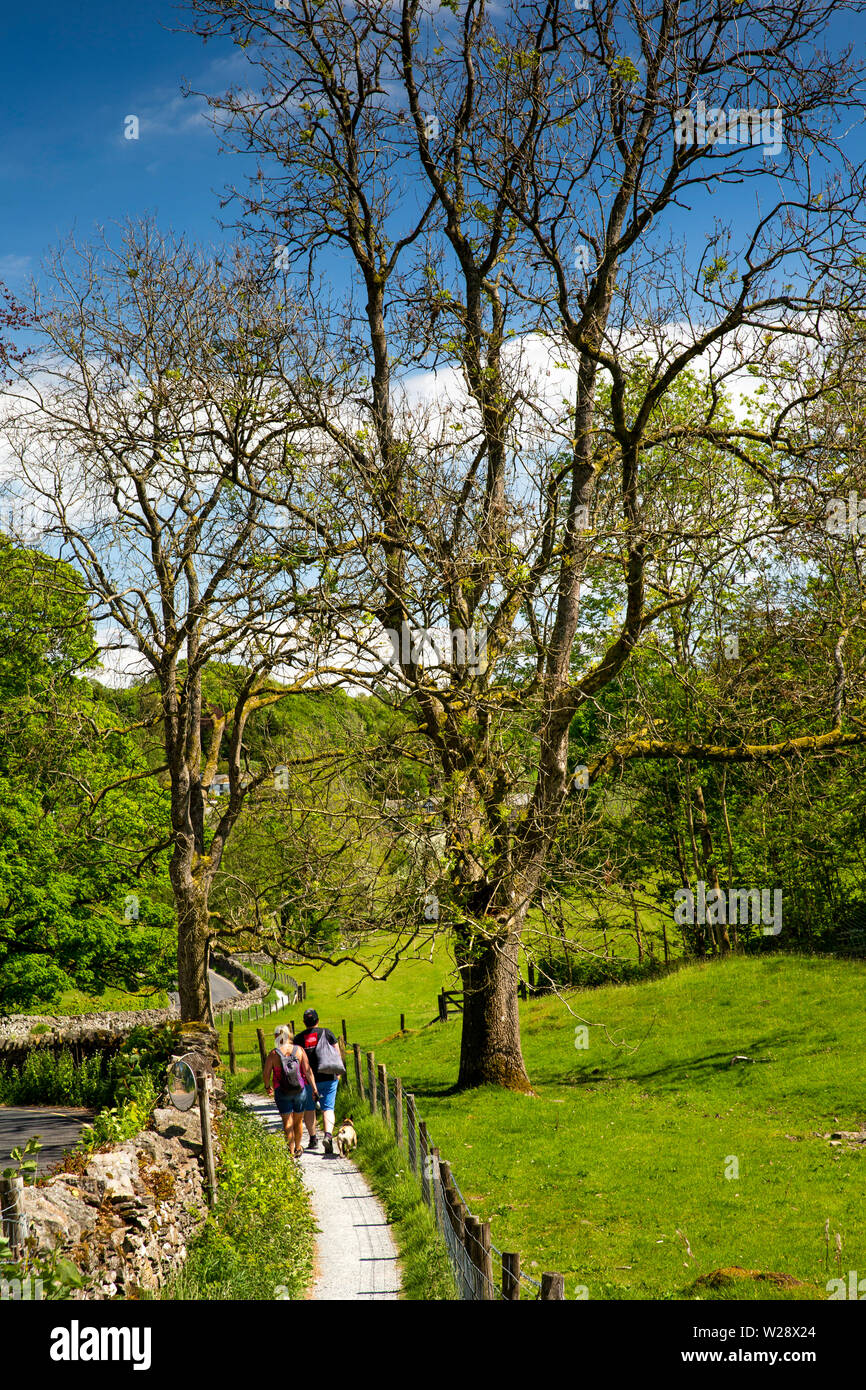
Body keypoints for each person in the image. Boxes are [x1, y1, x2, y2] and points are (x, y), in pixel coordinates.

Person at [263, 1024, 319, 1158]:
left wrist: (267, 1086)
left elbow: (266, 1073)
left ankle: (291, 1150)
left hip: (282, 1091)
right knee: (298, 1121)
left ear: (276, 1037)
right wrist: (314, 1089)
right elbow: (307, 1070)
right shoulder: (299, 1050)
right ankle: (299, 1147)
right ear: (289, 1035)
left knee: (287, 1122)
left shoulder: (274, 1054)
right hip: (300, 1091)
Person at [298, 1008, 343, 1154]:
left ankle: (312, 1138)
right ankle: (328, 1136)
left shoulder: (299, 1039)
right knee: (328, 1108)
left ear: (304, 1022)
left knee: (309, 1109)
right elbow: (336, 1052)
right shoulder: (327, 1033)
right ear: (317, 1020)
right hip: (328, 1076)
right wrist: (338, 1072)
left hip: (307, 1080)